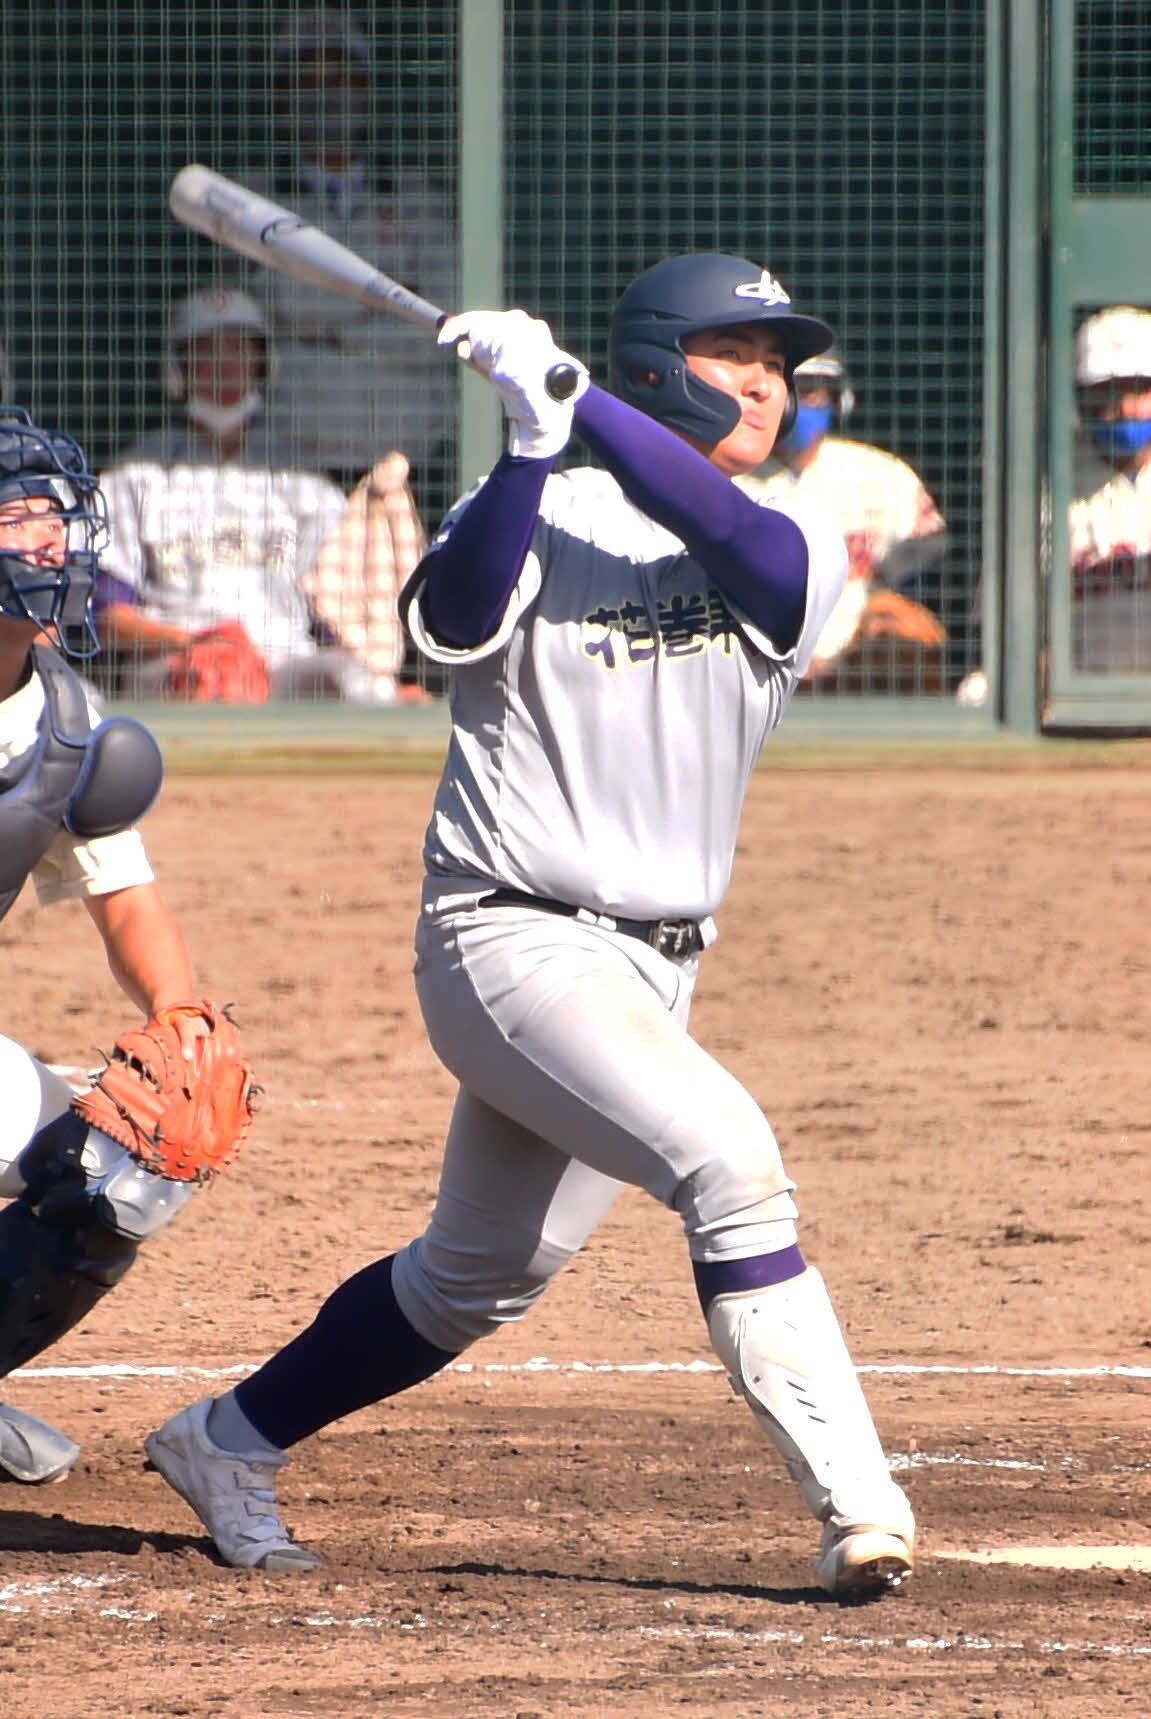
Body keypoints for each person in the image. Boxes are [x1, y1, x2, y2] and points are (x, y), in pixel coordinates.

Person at [144, 253, 916, 1599]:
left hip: (650, 968)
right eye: (736, 352)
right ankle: (858, 1506)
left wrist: (572, 400)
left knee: (473, 1275)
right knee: (731, 1161)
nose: (767, 383)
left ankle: (226, 1437)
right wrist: (532, 442)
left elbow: (729, 545)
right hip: (507, 937)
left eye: (779, 361)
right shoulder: (532, 500)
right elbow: (445, 621)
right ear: (661, 359)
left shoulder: (777, 537)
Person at [0, 407, 250, 1482]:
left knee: (130, 1159)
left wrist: (181, 1018)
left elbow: (126, 898)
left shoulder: (60, 717)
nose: (48, 540)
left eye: (55, 514)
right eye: (16, 516)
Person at [96, 285, 418, 704]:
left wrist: (385, 687)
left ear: (263, 363)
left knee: (354, 679)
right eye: (206, 353)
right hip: (177, 661)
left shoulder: (302, 477)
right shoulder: (133, 474)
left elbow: (336, 613)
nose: (224, 368)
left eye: (238, 351)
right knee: (207, 682)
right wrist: (197, 642)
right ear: (179, 367)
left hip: (281, 662)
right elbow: (107, 617)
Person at [245, 8, 456, 492]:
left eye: (340, 78)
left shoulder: (416, 199)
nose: (326, 95)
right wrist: (389, 298)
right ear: (282, 97)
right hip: (294, 466)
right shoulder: (256, 201)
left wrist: (318, 323)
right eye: (307, 81)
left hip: (409, 462)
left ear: (365, 88)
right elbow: (262, 314)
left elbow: (442, 324)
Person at [742, 346, 949, 684]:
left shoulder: (874, 470)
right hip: (757, 668)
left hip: (859, 662)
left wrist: (886, 593)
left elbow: (931, 548)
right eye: (788, 392)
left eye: (810, 393)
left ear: (839, 399)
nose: (795, 406)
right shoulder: (729, 476)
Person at [1068, 304, 1151, 672]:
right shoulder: (1051, 488)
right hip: (1085, 705)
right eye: (1109, 391)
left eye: (1140, 389)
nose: (1126, 407)